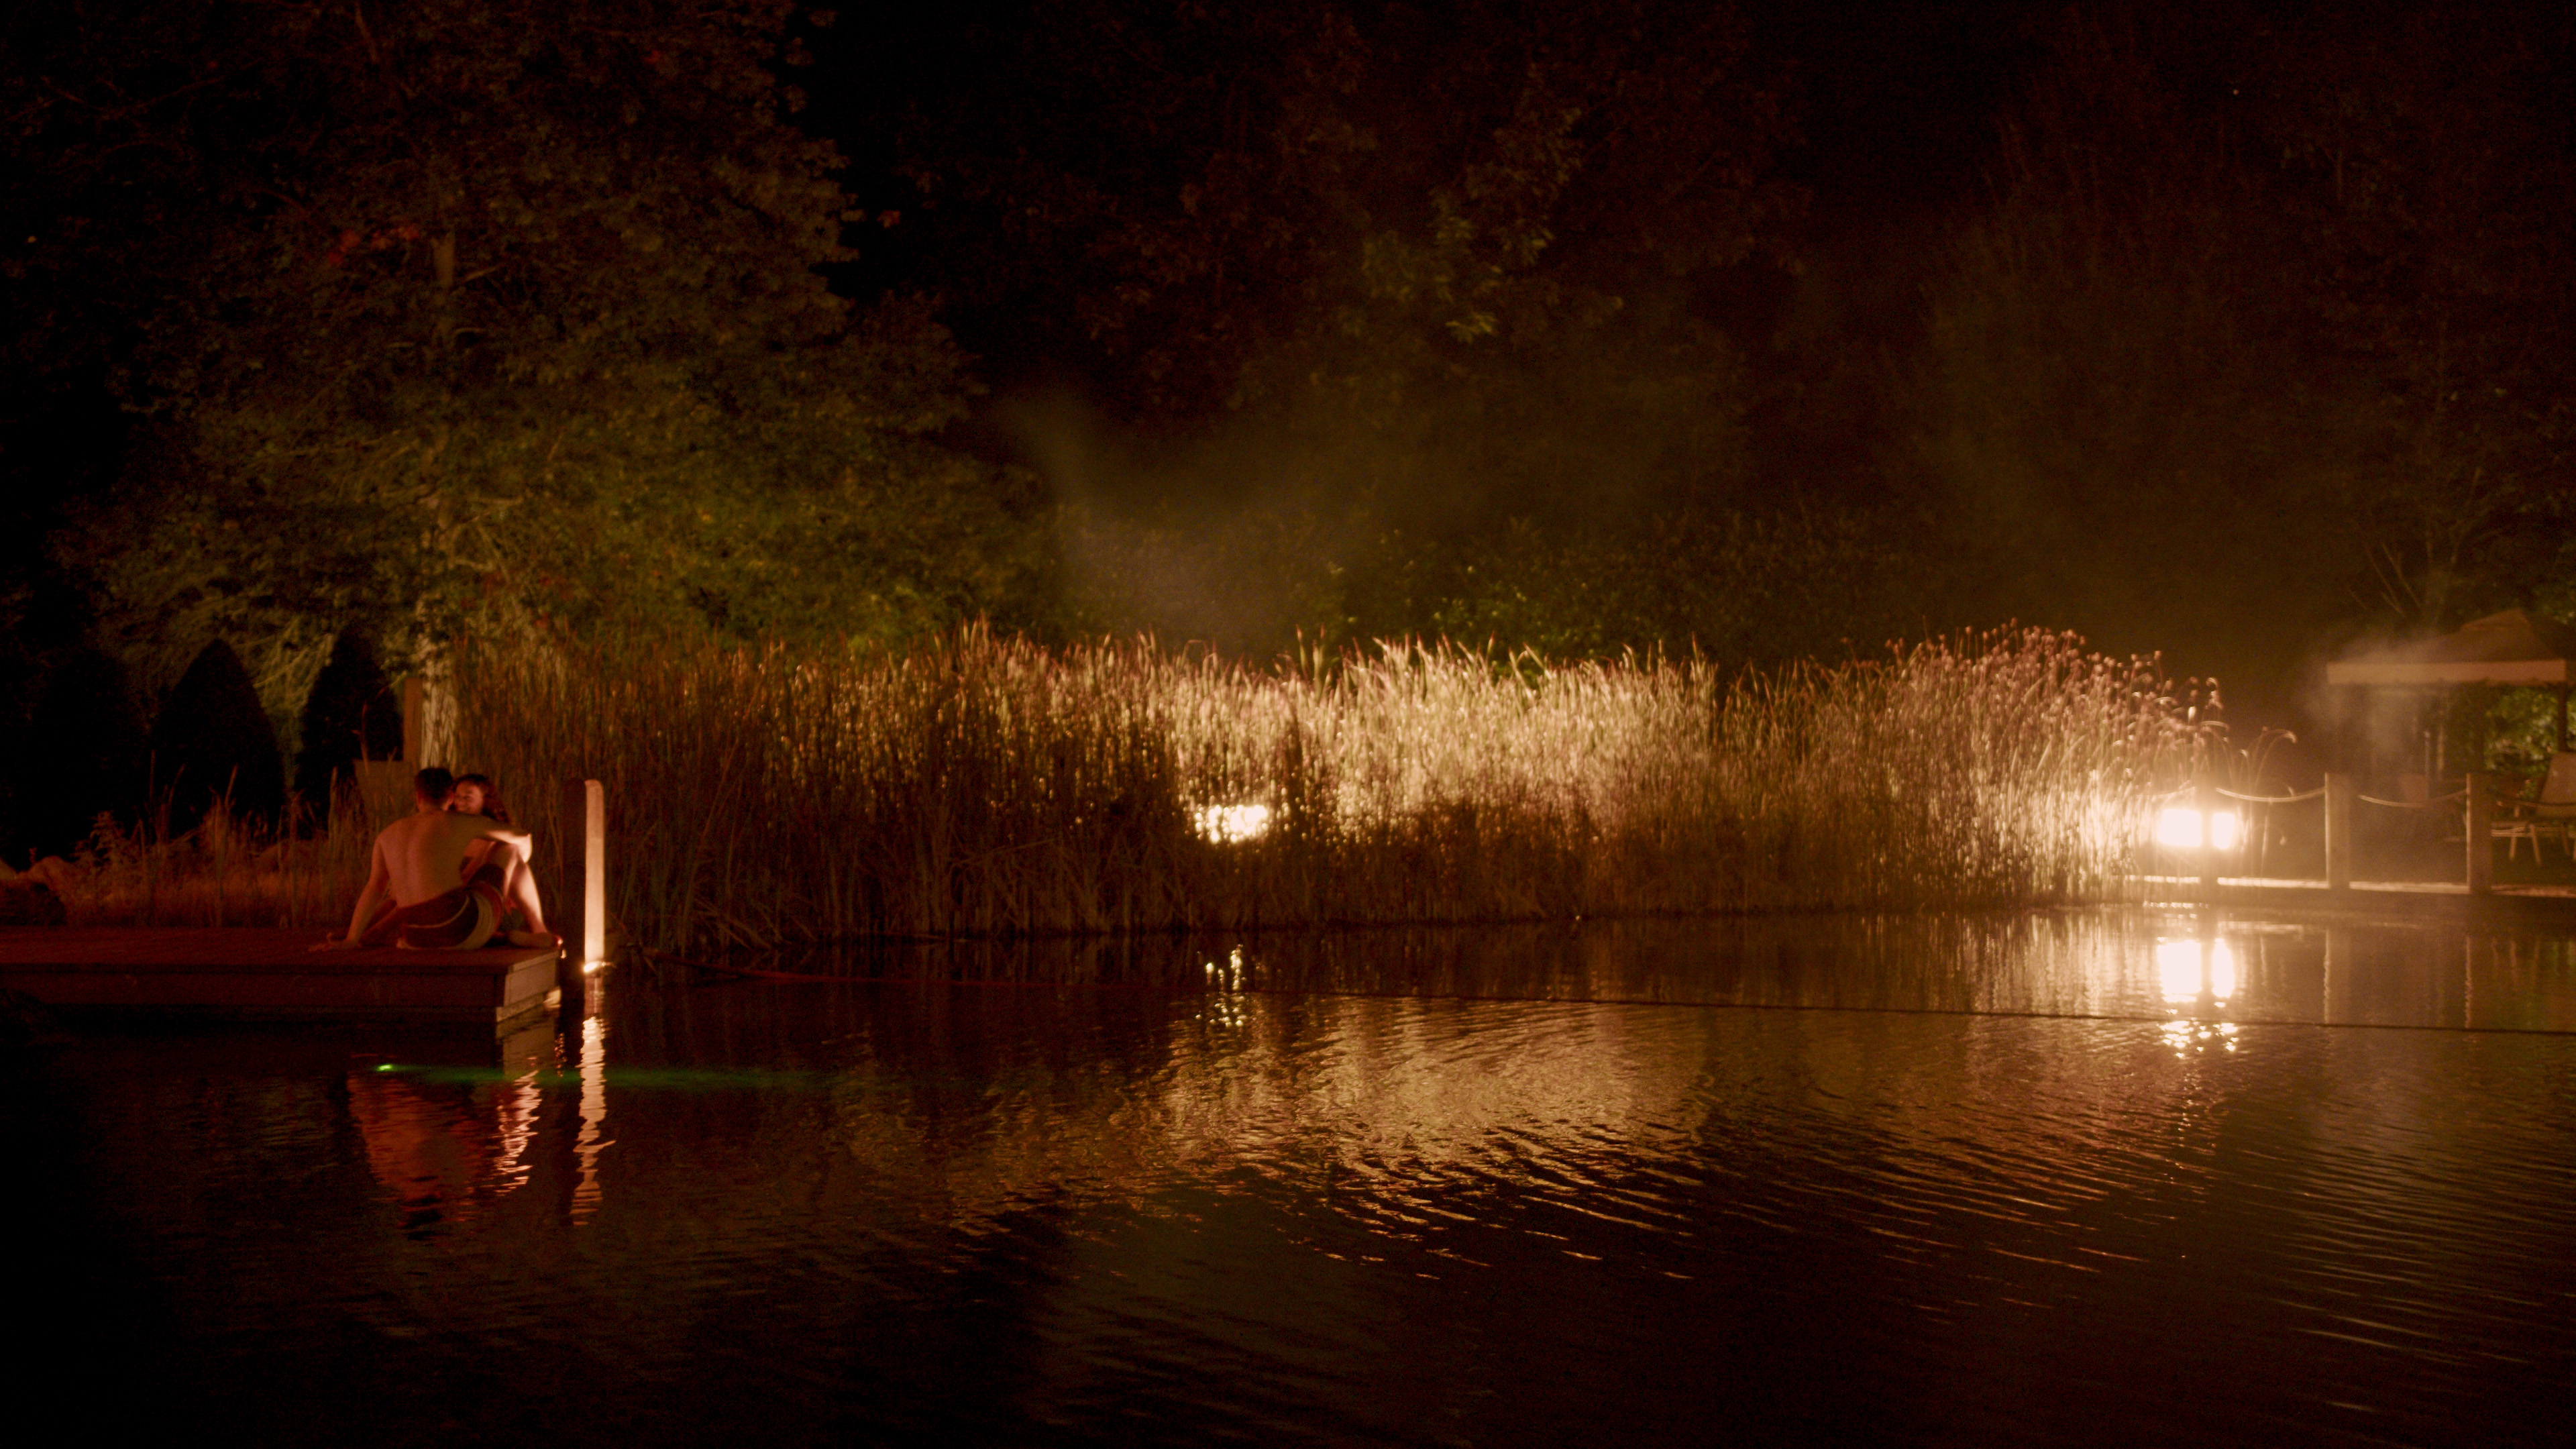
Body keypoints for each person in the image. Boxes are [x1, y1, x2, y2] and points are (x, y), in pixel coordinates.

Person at [313, 767, 535, 951]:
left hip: (415, 938)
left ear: (418, 796)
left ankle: (359, 935)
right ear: (450, 797)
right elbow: (523, 836)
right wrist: (518, 864)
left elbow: (374, 889)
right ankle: (540, 931)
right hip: (461, 930)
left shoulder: (388, 834)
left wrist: (351, 939)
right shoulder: (461, 822)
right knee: (509, 847)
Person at [449, 773, 558, 948]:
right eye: (458, 797)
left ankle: (537, 930)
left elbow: (524, 841)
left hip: (491, 902)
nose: (460, 803)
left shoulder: (492, 833)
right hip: (461, 906)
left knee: (510, 849)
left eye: (468, 798)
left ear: (485, 800)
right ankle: (533, 932)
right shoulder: (447, 828)